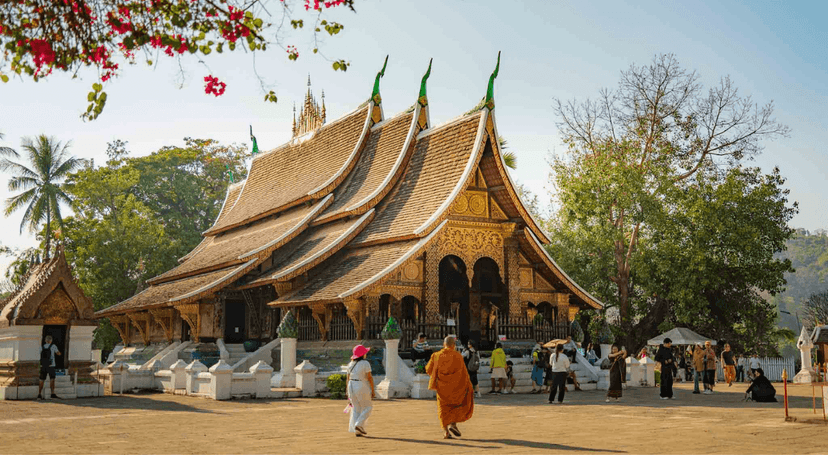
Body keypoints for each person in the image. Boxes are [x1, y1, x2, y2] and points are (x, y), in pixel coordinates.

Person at [426, 336, 475, 439]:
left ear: (444, 344)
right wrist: (469, 385)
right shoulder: (458, 356)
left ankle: (446, 432)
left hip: (442, 388)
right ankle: (453, 424)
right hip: (456, 387)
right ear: (453, 345)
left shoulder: (436, 355)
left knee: (443, 408)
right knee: (455, 406)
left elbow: (429, 369)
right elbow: (464, 373)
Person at [346, 344, 375, 437]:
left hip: (351, 385)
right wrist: (373, 389)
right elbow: (369, 377)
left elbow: (348, 378)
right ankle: (359, 424)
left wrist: (347, 391)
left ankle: (357, 430)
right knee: (368, 407)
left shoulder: (350, 364)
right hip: (361, 384)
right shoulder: (365, 363)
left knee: (356, 408)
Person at [37, 335, 62, 400]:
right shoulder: (53, 346)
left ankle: (39, 394)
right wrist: (60, 353)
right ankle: (52, 394)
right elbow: (58, 353)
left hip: (43, 366)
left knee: (41, 380)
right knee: (52, 379)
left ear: (45, 340)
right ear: (51, 341)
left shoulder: (41, 347)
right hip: (51, 366)